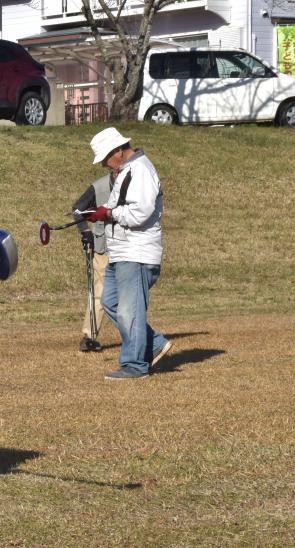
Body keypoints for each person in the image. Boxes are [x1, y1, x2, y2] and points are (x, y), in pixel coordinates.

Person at [83, 127, 172, 380]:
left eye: (104, 159)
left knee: (128, 311)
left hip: (137, 253)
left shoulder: (141, 170)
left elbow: (140, 213)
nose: (103, 165)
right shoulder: (126, 171)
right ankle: (153, 344)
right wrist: (98, 211)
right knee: (110, 302)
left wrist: (109, 214)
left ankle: (135, 365)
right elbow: (119, 206)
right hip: (122, 252)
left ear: (119, 151)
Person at [71, 173, 112, 352]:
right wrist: (86, 232)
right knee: (99, 293)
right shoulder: (99, 186)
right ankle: (89, 336)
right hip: (104, 248)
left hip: (128, 248)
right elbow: (77, 209)